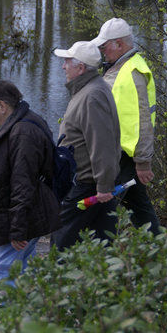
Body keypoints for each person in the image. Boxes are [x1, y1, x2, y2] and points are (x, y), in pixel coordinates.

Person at [0, 80, 62, 287]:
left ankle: (8, 318)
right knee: (23, 269)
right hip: (30, 213)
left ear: (2, 106)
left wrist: (17, 229)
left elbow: (23, 184)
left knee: (0, 270)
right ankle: (30, 315)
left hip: (23, 217)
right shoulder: (24, 122)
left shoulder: (22, 132)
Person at [91, 18, 162, 236]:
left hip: (126, 155)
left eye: (105, 46)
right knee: (137, 203)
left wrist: (143, 162)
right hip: (123, 152)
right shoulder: (119, 67)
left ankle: (98, 253)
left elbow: (143, 120)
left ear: (119, 44)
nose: (102, 50)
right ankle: (157, 248)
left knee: (106, 206)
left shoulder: (132, 71)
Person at [51, 41, 121, 250]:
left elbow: (102, 144)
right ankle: (106, 281)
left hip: (86, 185)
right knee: (103, 242)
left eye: (66, 62)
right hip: (92, 183)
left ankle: (57, 280)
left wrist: (103, 186)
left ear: (81, 68)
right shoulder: (90, 89)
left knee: (61, 242)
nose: (63, 66)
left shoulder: (91, 96)